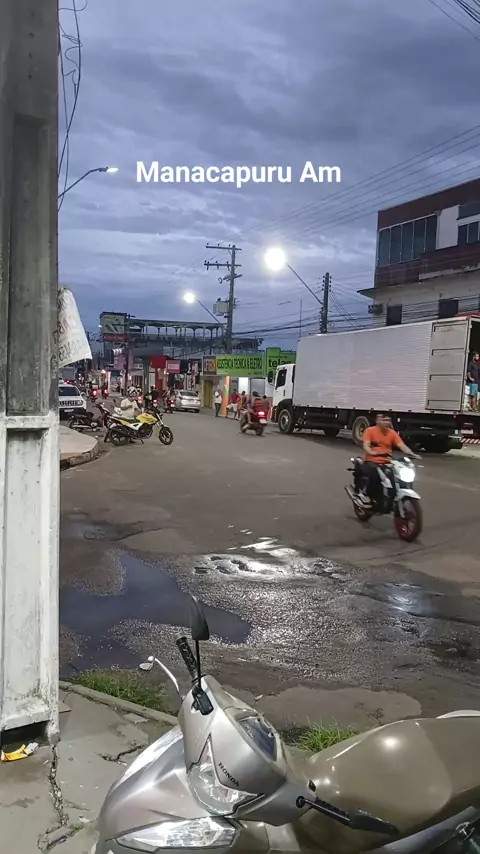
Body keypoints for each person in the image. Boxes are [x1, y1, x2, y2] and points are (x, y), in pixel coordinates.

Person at [356, 413, 418, 505]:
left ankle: (392, 496)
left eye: (388, 420)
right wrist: (372, 452)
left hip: (387, 461)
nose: (387, 422)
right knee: (374, 474)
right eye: (384, 420)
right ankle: (366, 495)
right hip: (371, 461)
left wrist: (411, 453)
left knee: (397, 474)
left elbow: (402, 445)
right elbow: (366, 446)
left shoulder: (392, 433)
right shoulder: (370, 431)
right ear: (377, 421)